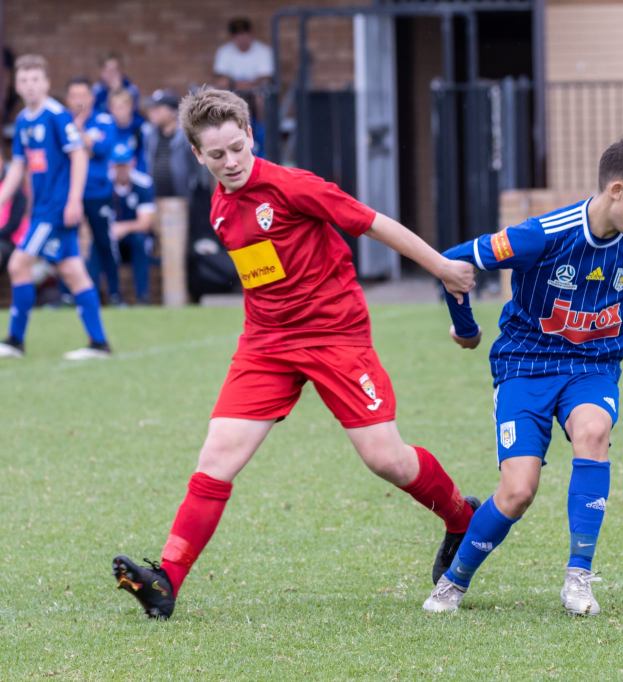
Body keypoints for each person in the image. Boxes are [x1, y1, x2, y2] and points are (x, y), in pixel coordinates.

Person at [111, 87, 479, 619]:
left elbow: (373, 222)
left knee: (385, 458)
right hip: (266, 344)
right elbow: (264, 274)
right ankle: (167, 580)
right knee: (217, 457)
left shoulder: (292, 186)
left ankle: (461, 518)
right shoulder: (219, 206)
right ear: (197, 155)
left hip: (335, 335)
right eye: (216, 155)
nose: (230, 162)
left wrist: (442, 268)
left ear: (250, 135)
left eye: (237, 148)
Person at [422, 137, 623, 616]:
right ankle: (454, 581)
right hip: (525, 365)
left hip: (592, 369)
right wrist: (467, 329)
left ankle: (578, 578)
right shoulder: (542, 235)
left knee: (593, 431)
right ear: (617, 190)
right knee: (518, 491)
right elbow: (453, 261)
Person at [0, 55, 111, 360]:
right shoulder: (23, 120)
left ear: (47, 83)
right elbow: (18, 167)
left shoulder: (56, 115)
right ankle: (99, 343)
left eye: (36, 79)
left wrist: (74, 200)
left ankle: (15, 340)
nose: (30, 86)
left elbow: (79, 155)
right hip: (42, 209)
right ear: (17, 85)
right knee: (73, 271)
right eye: (24, 80)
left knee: (18, 265)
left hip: (56, 209)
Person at [66, 76, 122, 304]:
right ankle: (67, 295)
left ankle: (115, 294)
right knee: (68, 245)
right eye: (74, 96)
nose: (78, 100)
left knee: (104, 243)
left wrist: (79, 133)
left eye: (82, 95)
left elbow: (103, 148)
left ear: (91, 97)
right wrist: (84, 142)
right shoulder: (61, 122)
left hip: (99, 193)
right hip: (71, 194)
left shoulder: (103, 120)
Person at [109, 144, 156, 303]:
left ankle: (142, 296)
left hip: (134, 238)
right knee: (100, 243)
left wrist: (123, 227)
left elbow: (145, 223)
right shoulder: (105, 184)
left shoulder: (143, 184)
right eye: (118, 165)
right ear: (112, 165)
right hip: (112, 236)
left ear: (132, 163)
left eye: (124, 165)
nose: (121, 169)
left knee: (139, 240)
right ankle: (112, 296)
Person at [143, 89, 197, 199]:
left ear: (173, 111)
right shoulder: (150, 135)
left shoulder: (186, 136)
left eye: (158, 109)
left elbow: (196, 170)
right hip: (158, 197)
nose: (152, 112)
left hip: (185, 198)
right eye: (152, 108)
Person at [213, 17, 274, 93]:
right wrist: (235, 84)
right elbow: (221, 76)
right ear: (232, 37)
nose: (241, 39)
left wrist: (248, 85)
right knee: (221, 83)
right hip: (232, 90)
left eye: (244, 34)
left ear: (251, 34)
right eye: (237, 36)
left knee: (265, 85)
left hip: (256, 90)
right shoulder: (224, 51)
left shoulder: (264, 50)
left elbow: (265, 77)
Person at [108, 89, 148, 173]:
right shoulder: (107, 129)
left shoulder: (140, 129)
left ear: (130, 107)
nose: (117, 111)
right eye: (114, 107)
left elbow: (144, 158)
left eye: (121, 107)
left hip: (135, 174)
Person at [92, 52, 141, 117]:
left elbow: (133, 114)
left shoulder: (131, 90)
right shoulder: (96, 91)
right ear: (101, 72)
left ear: (121, 71)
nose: (111, 74)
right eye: (107, 70)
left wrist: (118, 90)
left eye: (114, 70)